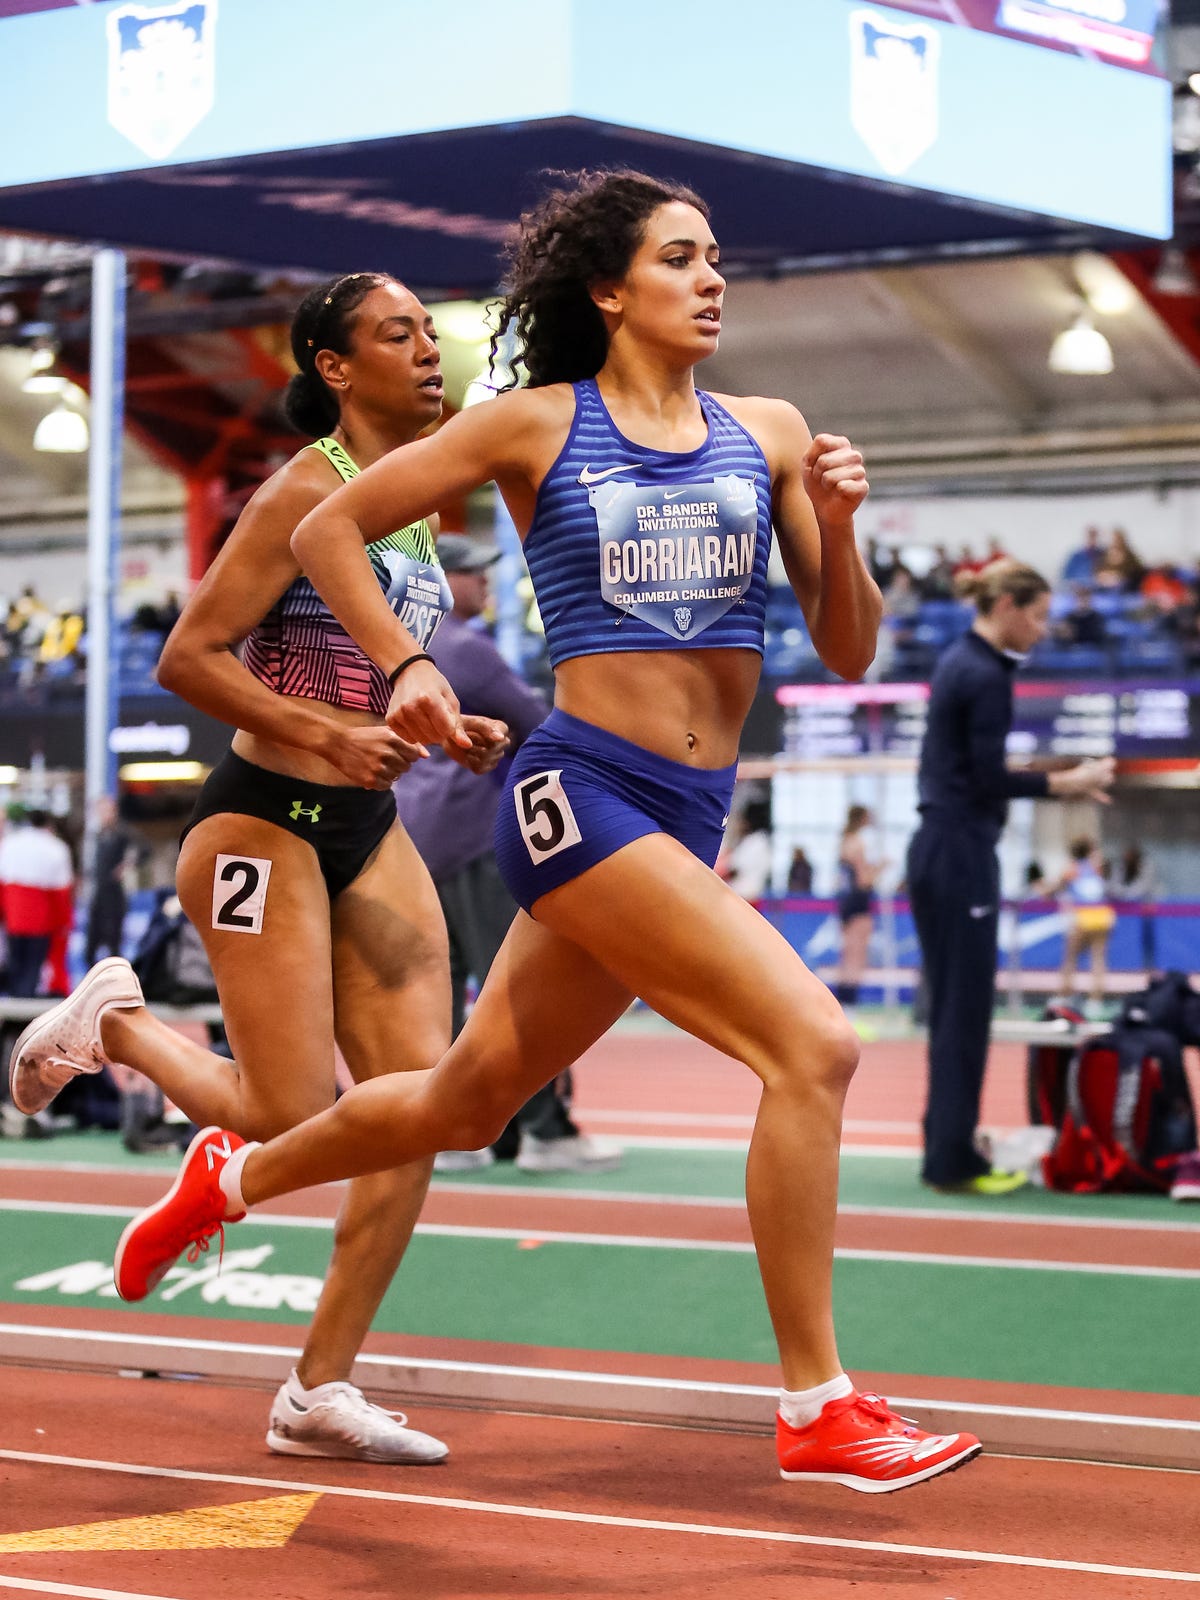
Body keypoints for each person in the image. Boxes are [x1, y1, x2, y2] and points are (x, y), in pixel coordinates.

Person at [53, 169, 977, 1492]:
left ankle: (230, 1178)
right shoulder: (538, 426)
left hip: (689, 809)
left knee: (467, 1098)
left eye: (717, 257)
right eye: (679, 258)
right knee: (813, 1048)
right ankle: (816, 1403)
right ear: (611, 288)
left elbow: (843, 642)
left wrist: (837, 525)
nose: (712, 279)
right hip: (579, 793)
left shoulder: (768, 430)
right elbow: (327, 524)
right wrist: (408, 667)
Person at [9, 271, 510, 1464]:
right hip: (261, 823)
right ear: (335, 368)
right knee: (291, 1112)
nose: (428, 354)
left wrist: (436, 724)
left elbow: (373, 668)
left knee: (416, 1114)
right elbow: (189, 654)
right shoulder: (303, 488)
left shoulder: (418, 501)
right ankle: (119, 1029)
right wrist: (328, 734)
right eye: (398, 337)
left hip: (364, 828)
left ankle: (316, 1391)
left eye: (427, 336)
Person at [396, 532, 619, 1175]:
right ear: (438, 582)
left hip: (417, 838)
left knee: (441, 995)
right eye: (471, 573)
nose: (484, 582)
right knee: (520, 989)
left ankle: (456, 1134)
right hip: (472, 835)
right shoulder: (462, 648)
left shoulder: (399, 652)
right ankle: (545, 1132)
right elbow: (541, 723)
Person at [906, 561, 1115, 1196]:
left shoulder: (958, 661)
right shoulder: (985, 673)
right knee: (964, 1013)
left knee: (952, 1010)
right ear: (1005, 604)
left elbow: (978, 766)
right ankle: (952, 1160)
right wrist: (1066, 782)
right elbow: (987, 779)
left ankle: (946, 1144)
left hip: (943, 847)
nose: (1043, 628)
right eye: (1038, 614)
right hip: (960, 851)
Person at [0, 806, 73, 997]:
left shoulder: (10, 843)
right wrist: (64, 922)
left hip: (14, 917)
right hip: (40, 919)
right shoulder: (56, 848)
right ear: (48, 825)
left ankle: (16, 1009)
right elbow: (61, 892)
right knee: (32, 967)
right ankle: (23, 1012)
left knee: (15, 965)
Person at [1040, 837, 1115, 1014]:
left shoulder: (1072, 869)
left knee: (1070, 958)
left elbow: (1053, 891)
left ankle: (1064, 995)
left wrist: (1043, 890)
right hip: (1102, 916)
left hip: (1082, 917)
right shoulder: (1097, 867)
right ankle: (1095, 1001)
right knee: (1098, 959)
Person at [835, 804, 882, 1007]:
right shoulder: (857, 843)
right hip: (858, 901)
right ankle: (849, 1005)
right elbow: (863, 880)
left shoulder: (845, 840)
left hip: (847, 902)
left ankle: (845, 1004)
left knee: (848, 954)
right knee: (856, 955)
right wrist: (881, 868)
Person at [85, 796, 140, 965]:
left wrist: (127, 865)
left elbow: (144, 849)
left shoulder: (122, 832)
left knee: (113, 939)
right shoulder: (98, 833)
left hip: (115, 893)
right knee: (92, 939)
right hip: (99, 892)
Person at [1107, 843, 1158, 975]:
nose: (1127, 858)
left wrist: (1126, 895)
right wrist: (1121, 895)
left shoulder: (1146, 866)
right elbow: (1113, 886)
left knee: (1147, 942)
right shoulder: (1121, 866)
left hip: (1145, 912)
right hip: (1123, 912)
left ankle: (1148, 968)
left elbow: (1144, 888)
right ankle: (1120, 966)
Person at [718, 798, 773, 901]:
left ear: (749, 821)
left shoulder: (755, 842)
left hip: (744, 897)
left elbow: (735, 870)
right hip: (747, 895)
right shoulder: (758, 841)